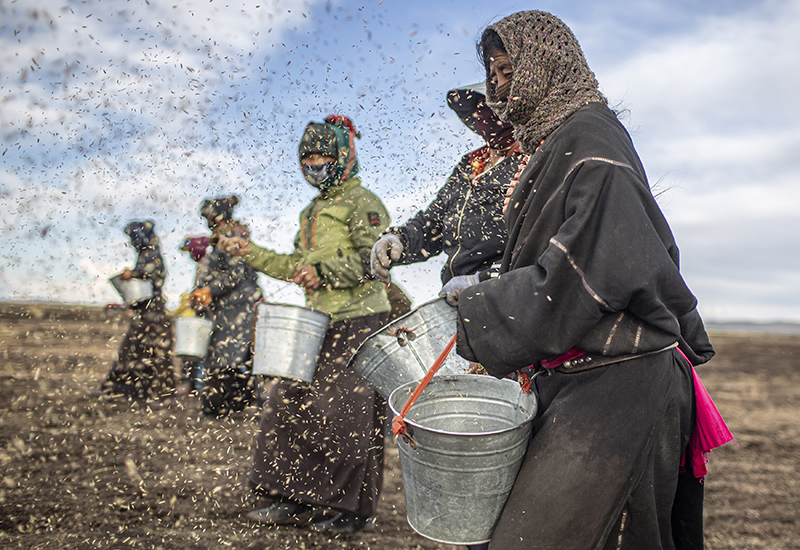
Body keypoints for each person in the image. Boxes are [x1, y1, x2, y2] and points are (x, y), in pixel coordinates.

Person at [447, 11, 732, 550]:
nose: (499, 87)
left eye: (510, 71)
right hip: (579, 377)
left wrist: (481, 303)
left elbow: (595, 270)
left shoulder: (591, 140)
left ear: (547, 62)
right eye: (494, 76)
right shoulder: (555, 144)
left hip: (619, 386)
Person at [221, 115, 392, 534]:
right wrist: (250, 252)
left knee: (347, 417)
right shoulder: (310, 212)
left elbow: (380, 261)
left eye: (321, 157)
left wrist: (327, 273)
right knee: (288, 403)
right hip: (318, 323)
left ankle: (352, 512)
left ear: (341, 156)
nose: (313, 165)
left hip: (360, 321)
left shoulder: (361, 202)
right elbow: (295, 266)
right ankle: (293, 498)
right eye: (306, 159)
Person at [370, 82, 527, 304]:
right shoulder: (469, 165)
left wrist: (484, 280)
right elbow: (433, 224)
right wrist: (399, 240)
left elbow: (537, 244)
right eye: (477, 108)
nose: (482, 114)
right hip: (454, 301)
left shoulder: (532, 161)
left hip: (509, 300)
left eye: (488, 107)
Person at [190, 197, 263, 418]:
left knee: (231, 355)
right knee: (232, 355)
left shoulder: (233, 236)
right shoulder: (222, 235)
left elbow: (236, 271)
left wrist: (210, 290)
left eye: (211, 217)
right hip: (227, 307)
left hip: (239, 307)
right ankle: (234, 404)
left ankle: (227, 405)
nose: (209, 221)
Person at [96, 220, 174, 400]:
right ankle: (125, 390)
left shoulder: (152, 253)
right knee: (132, 351)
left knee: (153, 354)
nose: (132, 242)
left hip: (153, 314)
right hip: (144, 312)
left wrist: (135, 274)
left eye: (134, 238)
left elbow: (156, 272)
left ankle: (159, 394)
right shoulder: (144, 254)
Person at [175, 235, 211, 396]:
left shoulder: (207, 264)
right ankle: (195, 384)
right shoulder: (201, 264)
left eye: (191, 251)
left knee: (200, 350)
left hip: (208, 315)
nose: (190, 255)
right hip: (202, 312)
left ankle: (200, 385)